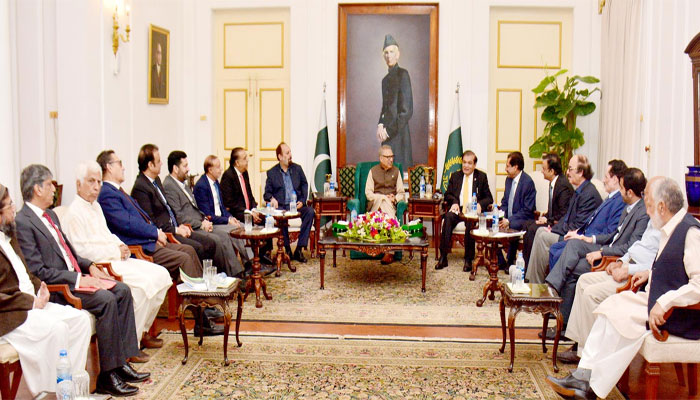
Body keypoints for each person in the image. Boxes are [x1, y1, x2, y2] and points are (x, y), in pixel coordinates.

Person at [546, 177, 700, 400]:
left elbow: (698, 284)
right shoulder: (670, 228)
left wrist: (664, 302)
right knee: (609, 307)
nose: (647, 211)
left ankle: (592, 388)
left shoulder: (690, 232)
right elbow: (675, 268)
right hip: (657, 301)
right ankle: (583, 374)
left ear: (661, 207)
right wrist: (650, 273)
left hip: (676, 313)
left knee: (619, 319)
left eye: (648, 204)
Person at [14, 164, 149, 397]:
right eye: (49, 185)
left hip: (76, 278)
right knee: (106, 300)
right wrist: (78, 278)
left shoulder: (50, 215)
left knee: (122, 290)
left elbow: (70, 253)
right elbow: (38, 271)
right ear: (37, 189)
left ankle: (121, 363)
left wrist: (90, 266)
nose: (54, 189)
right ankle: (107, 377)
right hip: (60, 287)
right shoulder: (24, 222)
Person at [96, 150, 222, 336]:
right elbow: (127, 223)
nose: (123, 167)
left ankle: (203, 306)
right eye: (119, 163)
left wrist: (158, 233)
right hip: (140, 247)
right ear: (109, 167)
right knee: (184, 258)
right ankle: (201, 320)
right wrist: (155, 233)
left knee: (189, 250)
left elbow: (141, 218)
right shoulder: (107, 194)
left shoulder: (118, 191)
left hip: (150, 240)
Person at [62, 161, 172, 348]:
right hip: (102, 265)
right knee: (144, 287)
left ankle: (142, 332)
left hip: (117, 258)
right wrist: (115, 251)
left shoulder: (95, 206)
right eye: (91, 181)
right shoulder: (73, 213)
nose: (96, 186)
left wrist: (121, 245)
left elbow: (107, 234)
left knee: (162, 275)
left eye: (99, 182)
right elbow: (82, 252)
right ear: (78, 184)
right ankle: (130, 345)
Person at [0, 183, 92, 397]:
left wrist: (39, 288)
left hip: (32, 304)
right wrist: (31, 302)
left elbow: (25, 273)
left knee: (80, 321)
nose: (14, 209)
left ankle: (71, 389)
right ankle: (50, 392)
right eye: (10, 205)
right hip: (11, 314)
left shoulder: (9, 235)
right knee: (57, 329)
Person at [542, 168, 649, 339]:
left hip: (613, 256)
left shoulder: (642, 214)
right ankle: (552, 287)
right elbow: (614, 235)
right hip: (607, 247)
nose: (619, 191)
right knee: (574, 244)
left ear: (629, 192)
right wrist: (590, 239)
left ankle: (565, 325)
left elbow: (630, 247)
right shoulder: (629, 207)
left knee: (573, 270)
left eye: (621, 188)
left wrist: (602, 251)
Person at [559, 214, 660, 364]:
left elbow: (656, 266)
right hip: (627, 265)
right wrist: (620, 261)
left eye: (650, 203)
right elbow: (636, 248)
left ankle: (589, 355)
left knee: (591, 293)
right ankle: (579, 343)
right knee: (583, 281)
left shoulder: (670, 230)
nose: (647, 208)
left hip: (635, 276)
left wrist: (628, 269)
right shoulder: (654, 220)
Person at [163, 151, 252, 277]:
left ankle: (246, 267)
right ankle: (232, 274)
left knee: (236, 230)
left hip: (203, 222)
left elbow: (197, 209)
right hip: (191, 227)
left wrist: (206, 219)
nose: (188, 169)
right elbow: (179, 215)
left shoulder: (184, 184)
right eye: (185, 166)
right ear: (175, 168)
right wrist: (202, 223)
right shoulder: (170, 186)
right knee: (220, 238)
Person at [131, 144, 217, 264]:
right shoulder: (141, 188)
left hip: (176, 227)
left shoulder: (156, 180)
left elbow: (168, 208)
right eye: (158, 161)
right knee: (198, 248)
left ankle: (211, 274)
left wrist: (180, 226)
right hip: (166, 233)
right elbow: (152, 221)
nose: (161, 163)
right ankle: (199, 275)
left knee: (210, 243)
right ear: (150, 165)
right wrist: (175, 229)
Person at [525, 155, 603, 283]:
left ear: (580, 172)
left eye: (570, 169)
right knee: (540, 231)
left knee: (543, 236)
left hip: (576, 239)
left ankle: (536, 284)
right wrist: (552, 228)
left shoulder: (588, 194)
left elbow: (578, 226)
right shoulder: (580, 190)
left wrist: (554, 230)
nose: (567, 172)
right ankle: (531, 281)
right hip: (568, 232)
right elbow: (566, 218)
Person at [546, 159, 628, 272]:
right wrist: (577, 233)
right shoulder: (609, 198)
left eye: (606, 177)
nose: (603, 180)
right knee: (554, 248)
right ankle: (552, 282)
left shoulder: (619, 201)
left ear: (614, 179)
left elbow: (610, 233)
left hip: (594, 243)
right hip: (583, 236)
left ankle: (554, 283)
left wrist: (585, 237)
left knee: (559, 253)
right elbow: (588, 221)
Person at [434, 150, 493, 271]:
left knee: (470, 223)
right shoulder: (455, 176)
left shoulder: (481, 177)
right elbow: (447, 194)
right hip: (459, 209)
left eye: (469, 163)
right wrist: (454, 202)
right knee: (448, 217)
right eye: (464, 162)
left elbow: (489, 198)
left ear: (474, 165)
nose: (466, 166)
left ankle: (468, 259)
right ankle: (443, 256)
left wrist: (480, 204)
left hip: (472, 210)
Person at [219, 147, 274, 266]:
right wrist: (249, 213)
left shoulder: (244, 173)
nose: (247, 160)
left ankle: (263, 254)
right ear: (237, 162)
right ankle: (252, 261)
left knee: (267, 219)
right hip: (237, 213)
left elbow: (249, 195)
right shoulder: (228, 176)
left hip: (248, 211)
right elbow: (230, 203)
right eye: (244, 158)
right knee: (252, 221)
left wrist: (254, 209)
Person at [263, 142, 315, 263]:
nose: (290, 155)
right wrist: (272, 199)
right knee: (282, 218)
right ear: (280, 157)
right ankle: (287, 250)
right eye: (287, 153)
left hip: (296, 205)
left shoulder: (297, 169)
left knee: (310, 212)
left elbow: (304, 185)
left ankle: (299, 249)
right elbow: (267, 193)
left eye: (290, 152)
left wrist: (302, 200)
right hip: (282, 207)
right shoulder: (272, 173)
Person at [521, 153, 574, 265]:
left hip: (560, 225)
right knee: (527, 224)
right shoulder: (554, 182)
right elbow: (553, 209)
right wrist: (544, 217)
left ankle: (529, 267)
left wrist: (548, 220)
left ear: (552, 171)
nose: (541, 171)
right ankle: (526, 264)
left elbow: (564, 213)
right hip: (552, 220)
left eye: (544, 169)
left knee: (532, 229)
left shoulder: (563, 186)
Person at [364, 145, 406, 265]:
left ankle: (382, 249)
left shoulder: (396, 171)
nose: (391, 159)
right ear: (381, 158)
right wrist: (382, 197)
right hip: (375, 205)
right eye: (388, 157)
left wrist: (394, 199)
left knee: (386, 203)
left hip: (390, 205)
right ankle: (389, 251)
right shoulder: (373, 171)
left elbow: (401, 193)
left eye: (392, 156)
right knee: (383, 201)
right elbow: (368, 193)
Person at [377, 34, 413, 169]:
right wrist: (380, 124)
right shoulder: (385, 80)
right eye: (386, 53)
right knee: (385, 173)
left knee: (399, 174)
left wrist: (388, 131)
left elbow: (406, 111)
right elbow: (385, 107)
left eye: (391, 52)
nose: (388, 56)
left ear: (398, 55)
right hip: (387, 138)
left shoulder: (403, 75)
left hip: (399, 136)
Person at [497, 151, 536, 268]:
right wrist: (500, 215)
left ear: (515, 167)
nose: (505, 169)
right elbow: (505, 201)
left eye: (508, 166)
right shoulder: (508, 180)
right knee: (492, 223)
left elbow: (527, 209)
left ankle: (510, 260)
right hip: (509, 217)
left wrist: (509, 220)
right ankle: (500, 261)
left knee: (513, 225)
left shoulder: (528, 182)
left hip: (523, 218)